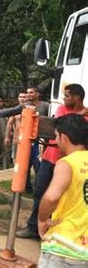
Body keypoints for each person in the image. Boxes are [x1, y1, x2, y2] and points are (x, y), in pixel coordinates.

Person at [17, 83, 88, 239]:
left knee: (64, 198)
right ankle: (33, 227)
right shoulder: (63, 109)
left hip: (70, 163)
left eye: (67, 96)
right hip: (51, 159)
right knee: (40, 193)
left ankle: (56, 230)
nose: (64, 98)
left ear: (77, 98)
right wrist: (82, 114)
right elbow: (59, 124)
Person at [37, 114, 88, 267]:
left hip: (63, 248)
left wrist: (42, 220)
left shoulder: (66, 163)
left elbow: (51, 197)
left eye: (56, 136)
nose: (56, 141)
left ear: (64, 137)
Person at [4, 91, 28, 163]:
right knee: (16, 160)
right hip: (17, 140)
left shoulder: (32, 109)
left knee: (26, 161)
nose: (22, 99)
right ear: (18, 98)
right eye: (20, 97)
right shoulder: (15, 110)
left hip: (28, 140)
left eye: (24, 97)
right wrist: (7, 137)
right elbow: (10, 123)